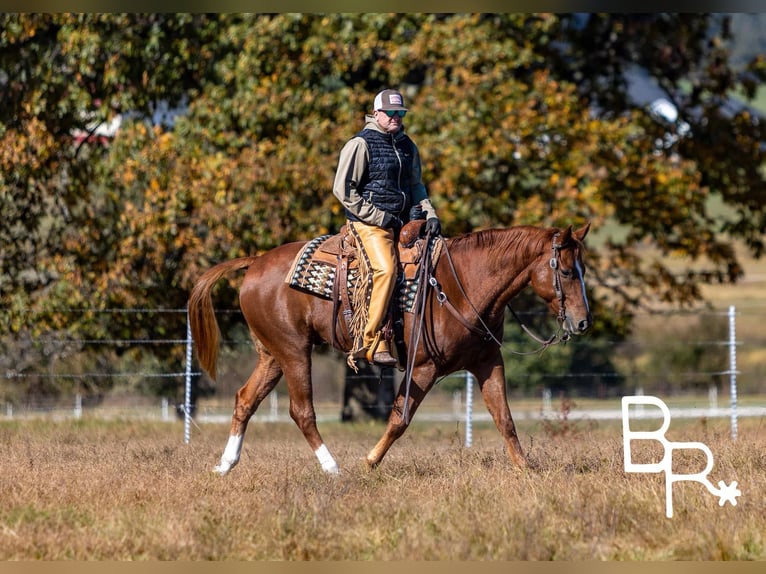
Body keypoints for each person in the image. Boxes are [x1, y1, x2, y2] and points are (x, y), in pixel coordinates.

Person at [333, 88, 441, 367]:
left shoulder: (407, 145)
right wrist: (380, 218)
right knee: (387, 269)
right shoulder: (359, 144)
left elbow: (416, 185)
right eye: (390, 113)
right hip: (369, 224)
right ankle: (370, 342)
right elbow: (344, 191)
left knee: (439, 262)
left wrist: (429, 213)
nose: (396, 118)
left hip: (405, 222)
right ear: (376, 113)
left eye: (400, 113)